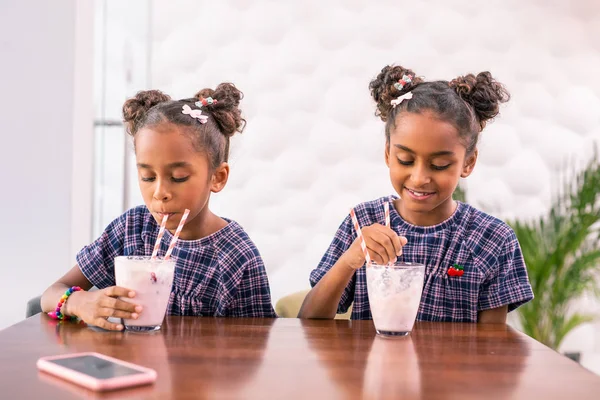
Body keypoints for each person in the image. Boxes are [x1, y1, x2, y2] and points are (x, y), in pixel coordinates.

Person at [299, 65, 534, 323]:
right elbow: (309, 320)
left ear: (468, 163)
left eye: (439, 165)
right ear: (388, 153)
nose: (419, 178)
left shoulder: (492, 239)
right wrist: (349, 261)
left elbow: (492, 347)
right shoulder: (363, 222)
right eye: (405, 160)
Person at [42, 83, 277, 330]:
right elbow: (50, 294)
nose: (160, 193)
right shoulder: (132, 229)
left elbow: (257, 343)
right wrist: (80, 302)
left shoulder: (237, 257)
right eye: (148, 177)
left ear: (217, 177)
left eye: (178, 177)